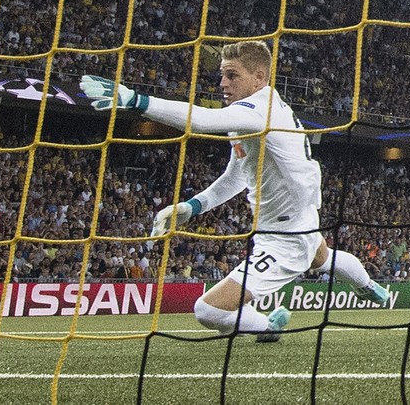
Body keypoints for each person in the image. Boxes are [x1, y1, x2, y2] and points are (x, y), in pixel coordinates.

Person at [80, 40, 388, 342]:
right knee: (323, 258)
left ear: (259, 78)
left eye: (232, 75)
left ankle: (268, 326)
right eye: (222, 75)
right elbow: (237, 175)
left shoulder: (257, 111)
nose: (223, 83)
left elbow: (200, 120)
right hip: (301, 218)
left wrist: (136, 100)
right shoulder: (254, 112)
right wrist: (194, 206)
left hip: (284, 236)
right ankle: (369, 287)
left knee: (207, 311)